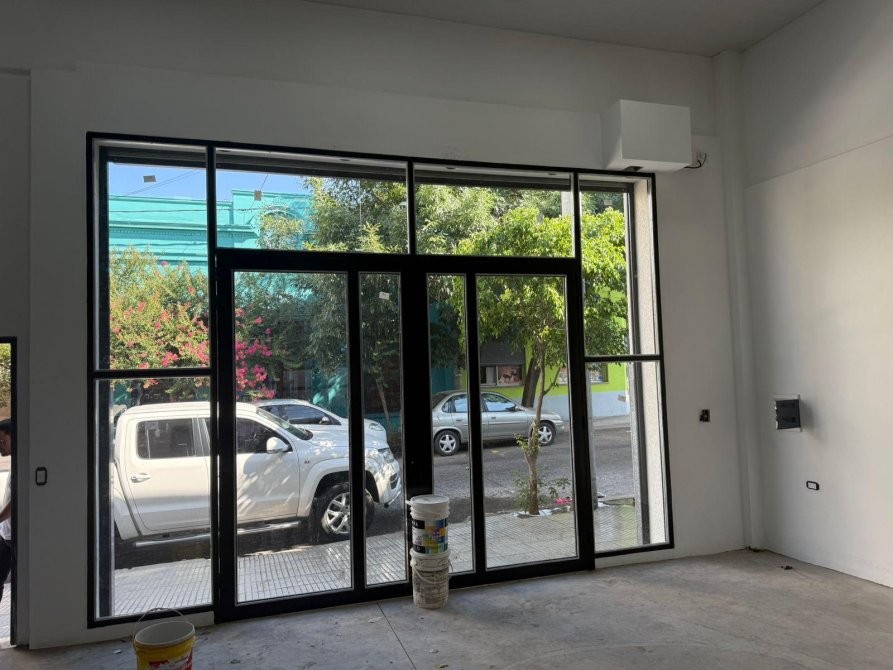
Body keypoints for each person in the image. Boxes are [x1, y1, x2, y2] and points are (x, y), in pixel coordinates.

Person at [0, 418, 12, 604]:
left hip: (12, 538)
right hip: (6, 535)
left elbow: (14, 503)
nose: (0, 446)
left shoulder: (23, 465)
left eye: (3, 441)